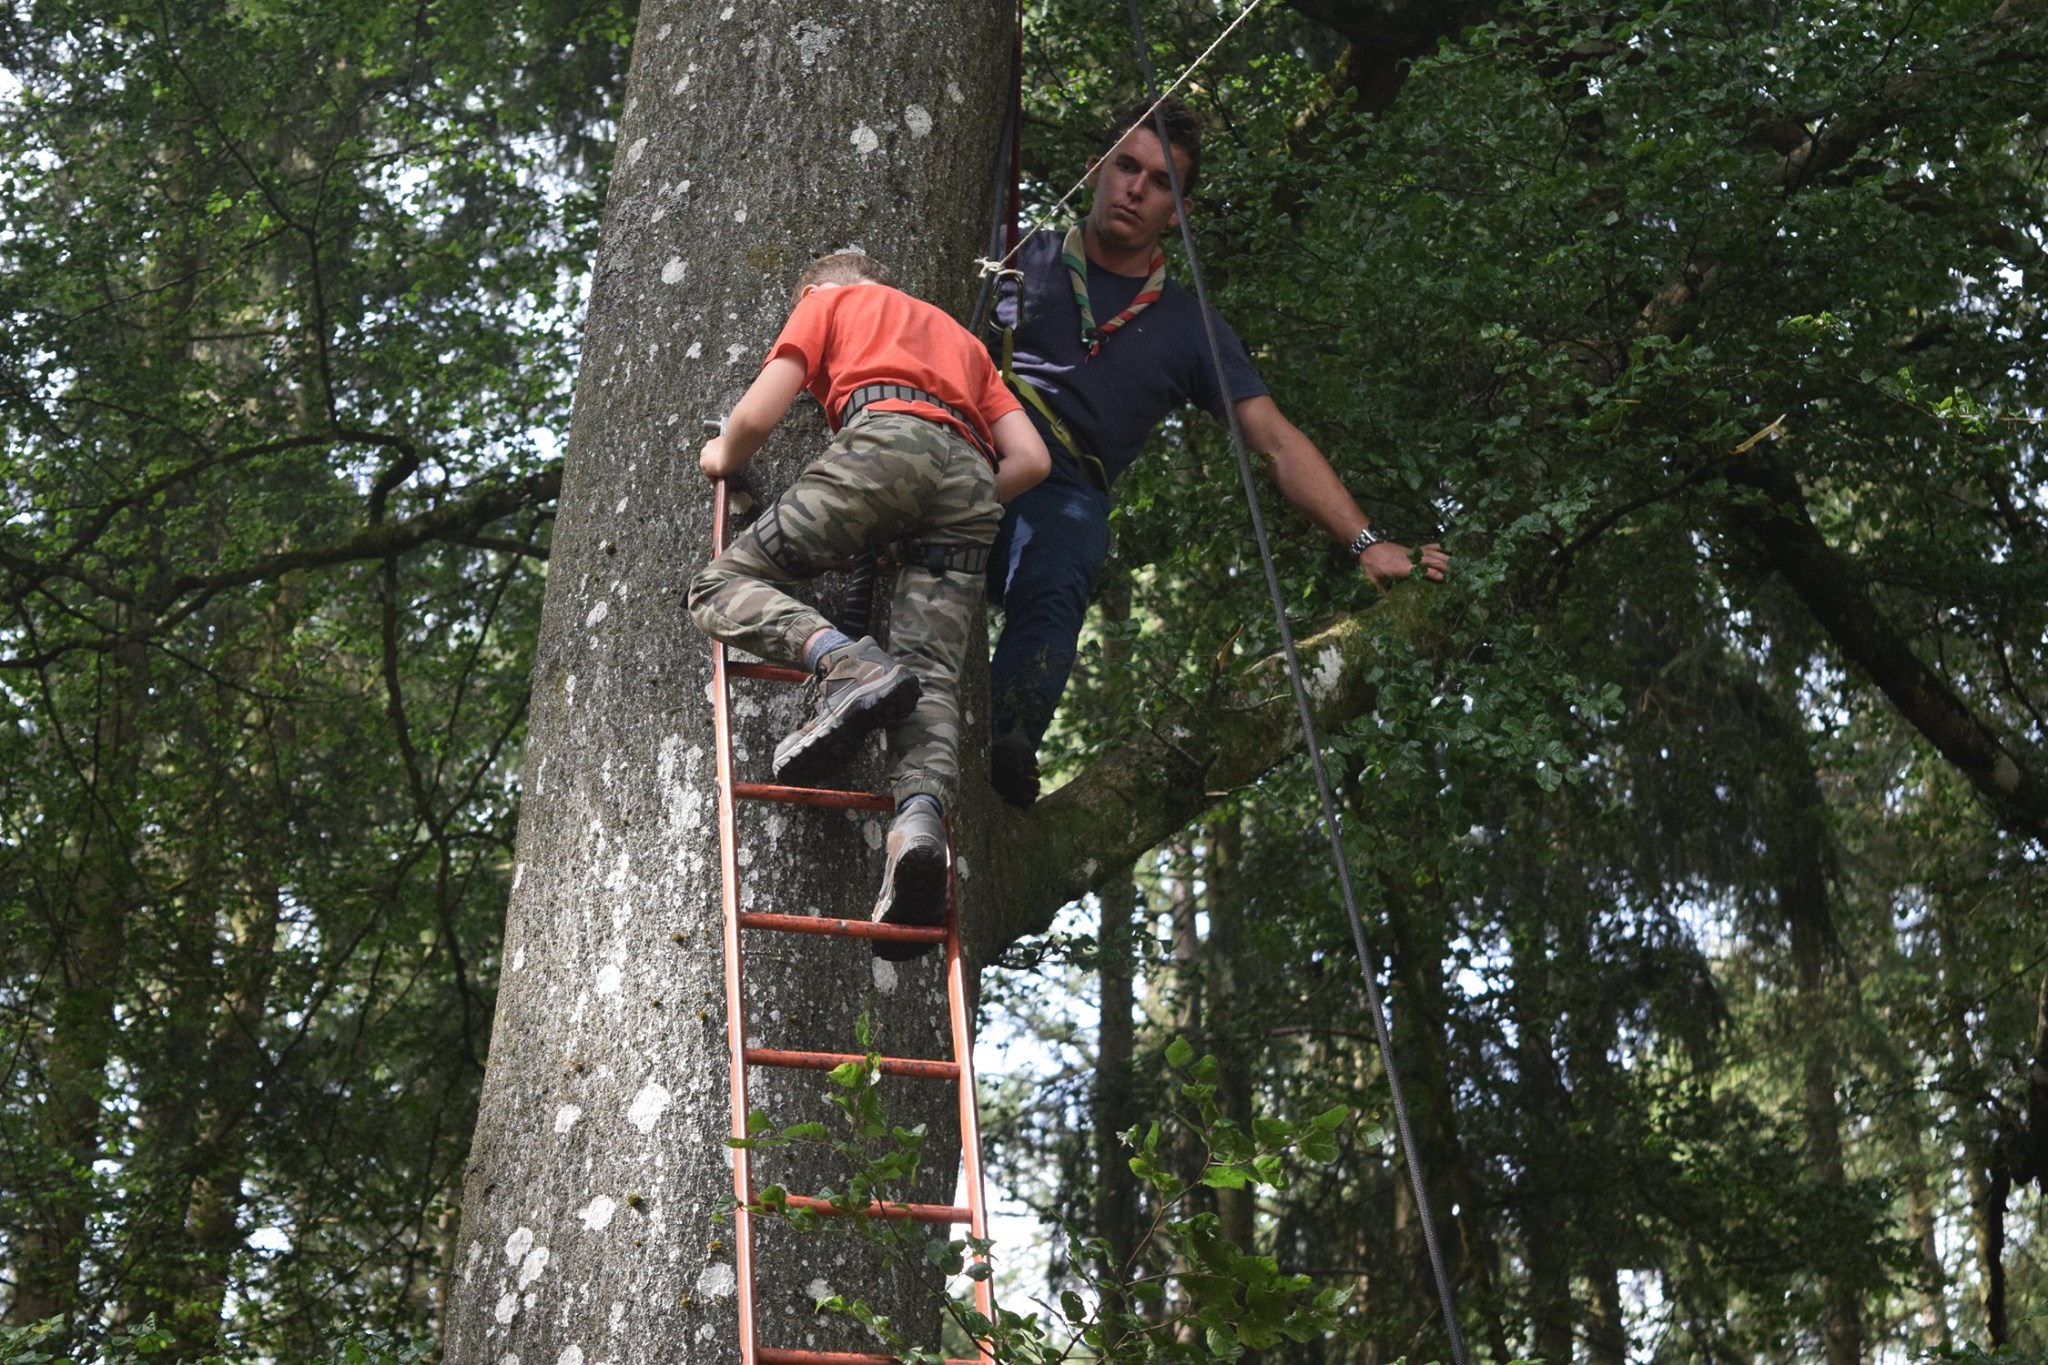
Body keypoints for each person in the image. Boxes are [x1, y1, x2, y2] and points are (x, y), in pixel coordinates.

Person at [985, 97, 1451, 807]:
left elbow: (1276, 439)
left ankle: (1008, 737)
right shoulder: (1023, 254)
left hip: (1064, 490)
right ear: (1094, 173)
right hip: (977, 436)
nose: (1137, 188)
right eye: (1126, 167)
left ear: (1181, 211)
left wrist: (1366, 541)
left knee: (1069, 555)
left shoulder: (1187, 324)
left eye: (1162, 181)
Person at [689, 252, 1050, 957]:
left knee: (718, 586)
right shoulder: (962, 340)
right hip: (973, 479)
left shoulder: (828, 301)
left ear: (820, 287)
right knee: (933, 675)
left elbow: (760, 412)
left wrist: (719, 456)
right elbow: (1031, 460)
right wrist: (942, 507)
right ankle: (918, 825)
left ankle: (843, 662)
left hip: (887, 438)